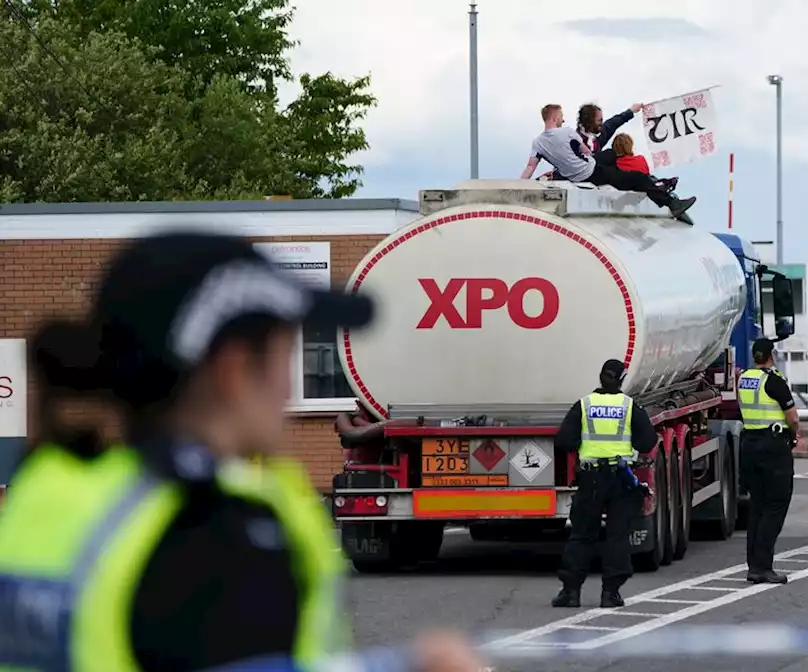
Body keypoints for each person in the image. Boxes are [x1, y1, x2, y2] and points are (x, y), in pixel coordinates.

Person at [0, 232, 482, 672]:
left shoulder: (47, 489)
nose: (286, 383)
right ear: (234, 370)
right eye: (284, 355)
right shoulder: (221, 532)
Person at [551, 359, 658, 609]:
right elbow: (648, 441)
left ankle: (571, 592)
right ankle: (610, 593)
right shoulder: (629, 406)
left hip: (591, 478)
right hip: (620, 478)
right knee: (617, 535)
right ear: (621, 380)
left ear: (600, 377)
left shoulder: (584, 405)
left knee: (582, 535)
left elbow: (564, 440)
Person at [520, 104, 696, 220]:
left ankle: (668, 197)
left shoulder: (538, 142)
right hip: (590, 172)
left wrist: (519, 186)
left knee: (620, 163)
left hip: (585, 170)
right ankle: (671, 203)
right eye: (599, 120)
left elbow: (530, 167)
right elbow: (586, 153)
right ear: (554, 118)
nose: (563, 119)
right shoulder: (568, 133)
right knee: (634, 175)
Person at [736, 338, 800, 584]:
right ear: (771, 355)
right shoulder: (774, 381)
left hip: (750, 444)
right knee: (776, 505)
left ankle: (754, 565)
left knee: (758, 507)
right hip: (773, 446)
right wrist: (795, 436)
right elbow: (792, 418)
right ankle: (763, 566)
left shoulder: (744, 379)